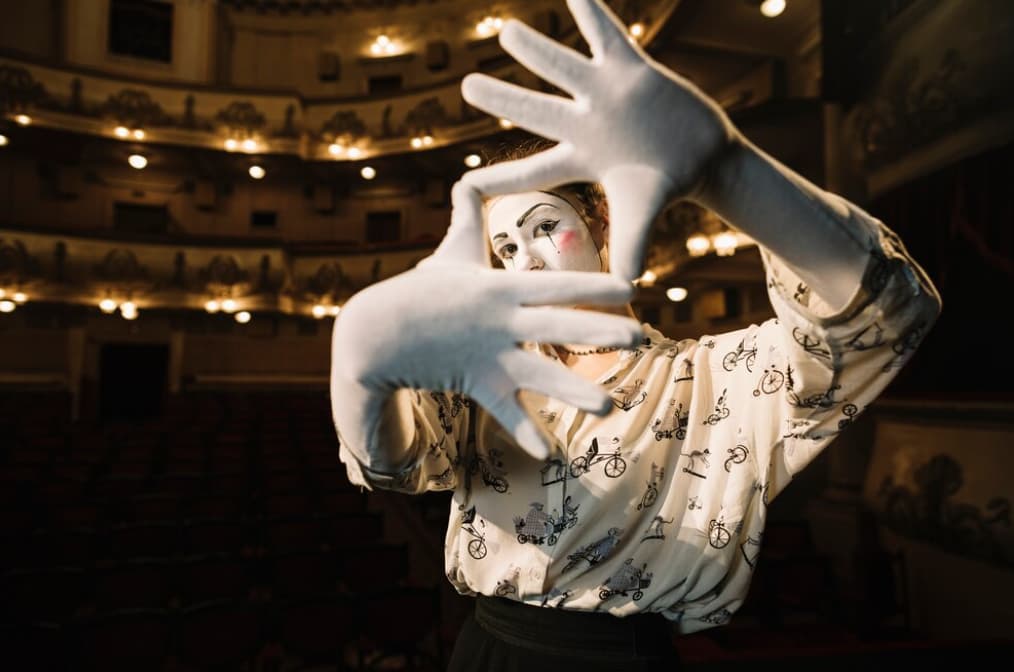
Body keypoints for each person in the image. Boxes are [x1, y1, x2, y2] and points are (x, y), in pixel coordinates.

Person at [328, 1, 942, 669]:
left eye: (542, 227)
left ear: (605, 225)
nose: (524, 259)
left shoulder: (714, 382)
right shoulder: (485, 368)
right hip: (487, 648)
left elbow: (884, 314)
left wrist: (729, 171)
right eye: (503, 247)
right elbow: (399, 463)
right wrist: (359, 367)